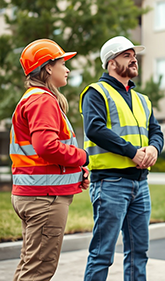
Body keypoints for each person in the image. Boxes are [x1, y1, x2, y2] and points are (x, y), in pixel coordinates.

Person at [80, 36, 164, 281]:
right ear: (111, 62)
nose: (134, 59)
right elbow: (95, 129)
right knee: (102, 253)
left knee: (139, 252)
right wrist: (133, 152)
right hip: (110, 184)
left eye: (134, 55)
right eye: (127, 55)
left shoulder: (142, 99)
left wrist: (153, 149)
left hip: (140, 184)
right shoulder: (96, 93)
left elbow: (156, 131)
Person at [10, 39, 90, 281]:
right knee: (38, 272)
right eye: (62, 63)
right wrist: (84, 157)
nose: (67, 69)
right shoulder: (42, 100)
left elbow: (40, 155)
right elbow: (47, 147)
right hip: (44, 199)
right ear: (47, 68)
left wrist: (76, 171)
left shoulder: (32, 98)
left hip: (34, 194)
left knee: (29, 266)